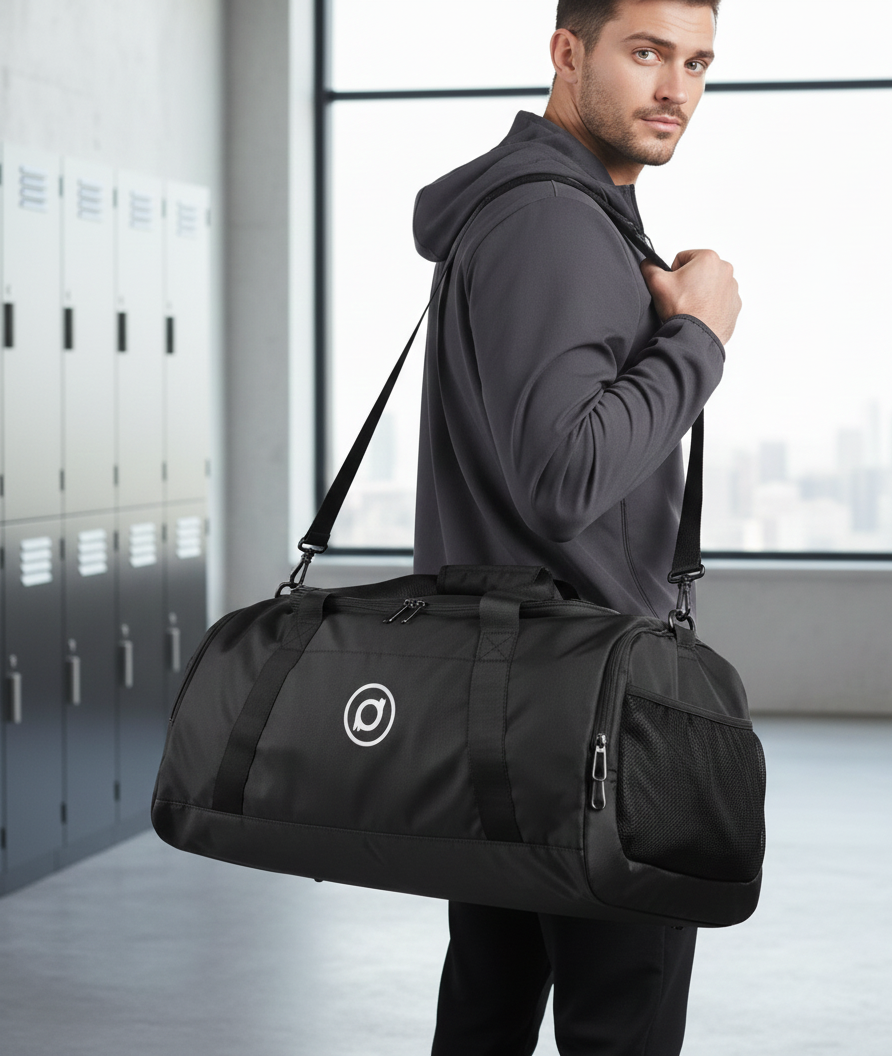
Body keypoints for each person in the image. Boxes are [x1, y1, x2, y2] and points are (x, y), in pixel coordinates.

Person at [412, 0, 741, 1053]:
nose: (674, 90)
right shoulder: (555, 220)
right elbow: (563, 477)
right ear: (567, 52)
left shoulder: (539, 214)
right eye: (644, 53)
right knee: (622, 1021)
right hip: (590, 711)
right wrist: (698, 339)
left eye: (695, 62)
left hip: (507, 689)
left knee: (490, 1007)